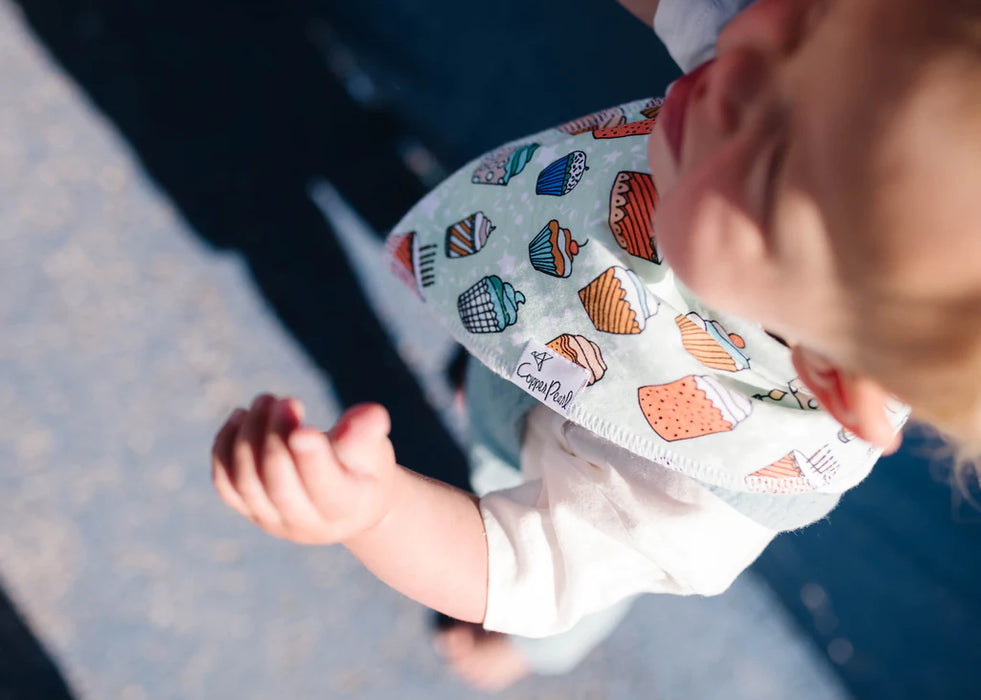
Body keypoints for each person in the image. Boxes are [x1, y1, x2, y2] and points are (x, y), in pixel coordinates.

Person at [210, 0, 981, 690]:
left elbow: (523, 564)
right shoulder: (815, 73)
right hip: (553, 307)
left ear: (830, 375)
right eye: (816, 16)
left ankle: (533, 659)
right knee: (509, 369)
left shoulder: (710, 485)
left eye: (776, 158)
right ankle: (514, 363)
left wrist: (369, 510)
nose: (742, 42)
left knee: (569, 602)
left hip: (583, 468)